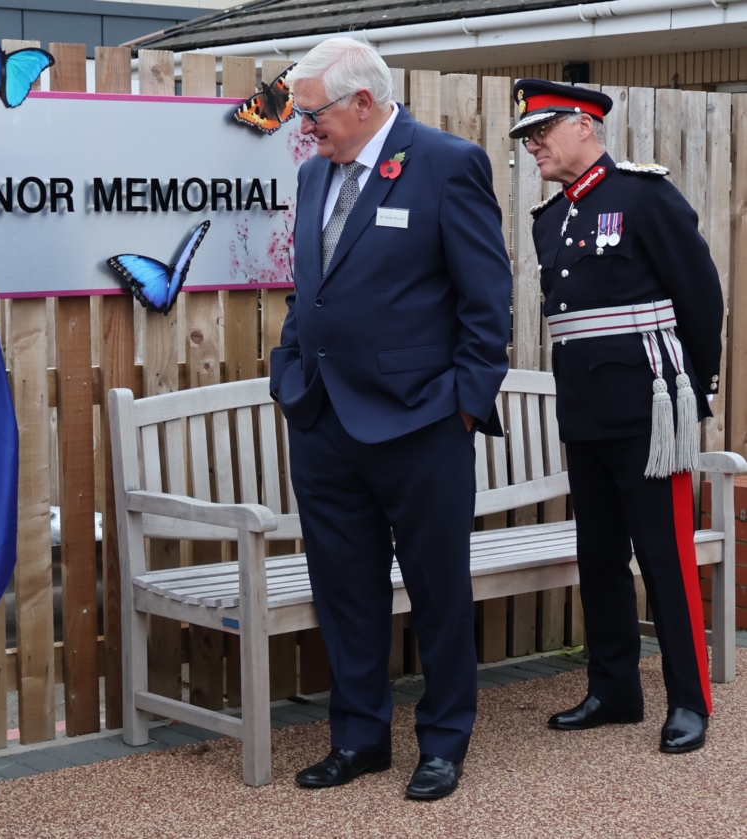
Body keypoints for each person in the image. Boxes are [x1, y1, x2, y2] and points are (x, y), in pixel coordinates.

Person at [270, 39, 512, 800]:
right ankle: (360, 738)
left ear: (363, 103)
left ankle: (443, 740)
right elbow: (307, 288)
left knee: (438, 587)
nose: (303, 128)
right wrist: (289, 373)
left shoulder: (446, 163)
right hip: (323, 423)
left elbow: (487, 303)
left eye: (311, 113)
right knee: (345, 588)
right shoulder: (314, 175)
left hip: (422, 425)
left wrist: (465, 407)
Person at [512, 79, 723, 753]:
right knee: (598, 555)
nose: (533, 144)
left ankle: (689, 699)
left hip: (647, 412)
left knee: (665, 557)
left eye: (543, 129)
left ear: (585, 125)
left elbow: (700, 298)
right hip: (585, 413)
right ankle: (613, 689)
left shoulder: (643, 196)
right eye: (526, 136)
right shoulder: (551, 219)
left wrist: (695, 391)